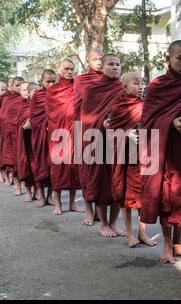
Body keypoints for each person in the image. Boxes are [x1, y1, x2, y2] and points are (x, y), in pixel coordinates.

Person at [140, 40, 181, 263]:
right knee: (166, 198)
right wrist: (171, 122)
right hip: (165, 152)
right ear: (168, 59)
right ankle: (167, 246)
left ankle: (178, 245)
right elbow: (147, 122)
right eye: (180, 58)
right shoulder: (157, 86)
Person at [81, 54, 126, 237]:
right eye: (110, 64)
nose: (115, 67)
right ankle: (104, 224)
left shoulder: (123, 88)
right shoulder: (92, 89)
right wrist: (101, 123)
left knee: (118, 182)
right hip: (97, 140)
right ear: (102, 66)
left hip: (119, 140)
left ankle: (114, 222)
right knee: (100, 182)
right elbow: (86, 118)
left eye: (117, 64)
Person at [109, 72, 156, 247]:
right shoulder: (118, 108)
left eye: (142, 83)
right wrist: (125, 134)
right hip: (126, 159)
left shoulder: (145, 106)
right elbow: (111, 134)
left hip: (143, 157)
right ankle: (130, 234)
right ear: (125, 86)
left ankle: (142, 233)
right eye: (136, 83)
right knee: (127, 199)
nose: (141, 86)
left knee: (143, 198)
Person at [45, 59, 85, 215]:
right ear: (59, 70)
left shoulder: (78, 88)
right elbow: (50, 113)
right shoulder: (52, 90)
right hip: (58, 134)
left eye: (72, 69)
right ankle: (58, 204)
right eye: (66, 69)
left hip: (75, 132)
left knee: (74, 169)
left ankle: (72, 203)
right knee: (58, 169)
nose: (69, 72)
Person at [73, 48, 104, 225]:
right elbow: (76, 106)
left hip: (106, 132)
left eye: (101, 59)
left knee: (103, 174)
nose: (98, 62)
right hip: (84, 130)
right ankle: (90, 212)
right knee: (86, 172)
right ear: (87, 61)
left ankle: (103, 214)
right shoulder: (81, 80)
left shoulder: (111, 81)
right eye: (95, 59)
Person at [30, 70, 57, 208]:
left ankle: (50, 197)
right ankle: (41, 197)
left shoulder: (58, 95)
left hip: (55, 137)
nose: (51, 84)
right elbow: (34, 118)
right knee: (40, 165)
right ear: (42, 81)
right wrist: (43, 125)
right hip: (40, 136)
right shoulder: (37, 96)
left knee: (53, 167)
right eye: (48, 81)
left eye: (54, 81)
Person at [0, 77, 24, 189]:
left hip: (24, 133)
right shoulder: (7, 100)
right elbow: (2, 117)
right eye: (17, 85)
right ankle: (17, 185)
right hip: (11, 135)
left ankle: (28, 186)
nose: (19, 88)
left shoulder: (26, 99)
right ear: (12, 86)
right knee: (14, 160)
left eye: (22, 86)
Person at [15, 82, 39, 200]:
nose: (26, 92)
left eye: (27, 90)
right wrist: (24, 128)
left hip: (38, 141)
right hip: (25, 142)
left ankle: (37, 192)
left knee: (38, 167)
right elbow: (16, 126)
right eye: (23, 90)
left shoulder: (40, 105)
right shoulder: (21, 107)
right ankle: (29, 192)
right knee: (27, 166)